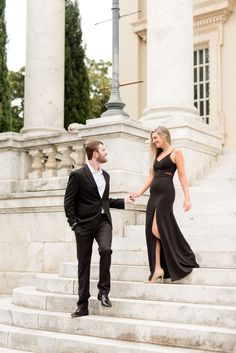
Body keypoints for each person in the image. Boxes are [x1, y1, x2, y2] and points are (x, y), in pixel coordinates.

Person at [64, 140, 134, 317]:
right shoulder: (78, 175)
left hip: (103, 221)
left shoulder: (106, 176)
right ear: (95, 153)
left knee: (106, 250)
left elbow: (104, 201)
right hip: (84, 225)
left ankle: (103, 292)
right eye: (103, 149)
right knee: (84, 264)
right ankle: (82, 305)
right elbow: (68, 202)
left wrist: (123, 201)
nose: (106, 152)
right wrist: (74, 224)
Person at [131, 126, 199, 283]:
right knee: (151, 230)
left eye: (156, 138)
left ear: (164, 136)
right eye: (153, 138)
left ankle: (179, 251)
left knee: (157, 228)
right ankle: (157, 269)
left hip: (166, 194)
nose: (154, 141)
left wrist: (187, 198)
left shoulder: (176, 152)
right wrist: (139, 193)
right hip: (153, 195)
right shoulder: (158, 154)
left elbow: (182, 176)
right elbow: (151, 176)